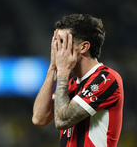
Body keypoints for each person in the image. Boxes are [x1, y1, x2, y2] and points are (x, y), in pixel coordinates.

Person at [32, 14, 124, 147]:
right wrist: (53, 68)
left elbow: (62, 121)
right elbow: (39, 118)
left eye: (63, 42)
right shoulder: (70, 82)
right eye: (56, 42)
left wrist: (62, 71)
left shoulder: (107, 78)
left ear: (83, 47)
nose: (57, 47)